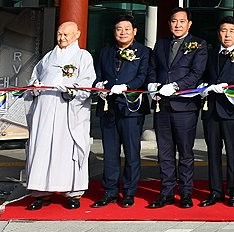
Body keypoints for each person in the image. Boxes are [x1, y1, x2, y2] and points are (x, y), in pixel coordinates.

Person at [24, 21, 96, 210]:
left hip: (68, 110)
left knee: (67, 149)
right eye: (60, 34)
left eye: (66, 35)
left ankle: (72, 192)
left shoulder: (83, 56)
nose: (62, 38)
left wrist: (73, 91)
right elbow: (34, 78)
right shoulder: (48, 57)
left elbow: (87, 81)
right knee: (42, 147)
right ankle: (41, 192)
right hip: (45, 109)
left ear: (77, 34)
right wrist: (36, 87)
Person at [147, 7, 209, 209]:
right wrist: (152, 84)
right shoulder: (162, 43)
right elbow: (154, 68)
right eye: (174, 21)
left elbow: (197, 73)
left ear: (189, 24)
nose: (178, 25)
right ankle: (165, 193)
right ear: (169, 23)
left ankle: (185, 193)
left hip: (185, 106)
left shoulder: (198, 44)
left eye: (182, 21)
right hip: (162, 106)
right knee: (164, 152)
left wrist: (175, 86)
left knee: (185, 152)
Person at [92, 14, 150, 208]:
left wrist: (127, 87)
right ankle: (110, 191)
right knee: (110, 152)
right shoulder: (105, 52)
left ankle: (129, 192)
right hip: (108, 107)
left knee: (132, 152)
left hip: (131, 108)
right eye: (119, 29)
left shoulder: (144, 52)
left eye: (127, 29)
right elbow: (98, 75)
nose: (123, 32)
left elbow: (143, 76)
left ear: (135, 31)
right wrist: (98, 86)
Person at [200, 16, 234, 207]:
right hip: (212, 110)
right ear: (218, 33)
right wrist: (206, 86)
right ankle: (215, 191)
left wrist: (227, 86)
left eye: (231, 31)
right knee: (213, 153)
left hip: (232, 109)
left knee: (233, 152)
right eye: (224, 31)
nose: (227, 35)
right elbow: (204, 76)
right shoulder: (210, 53)